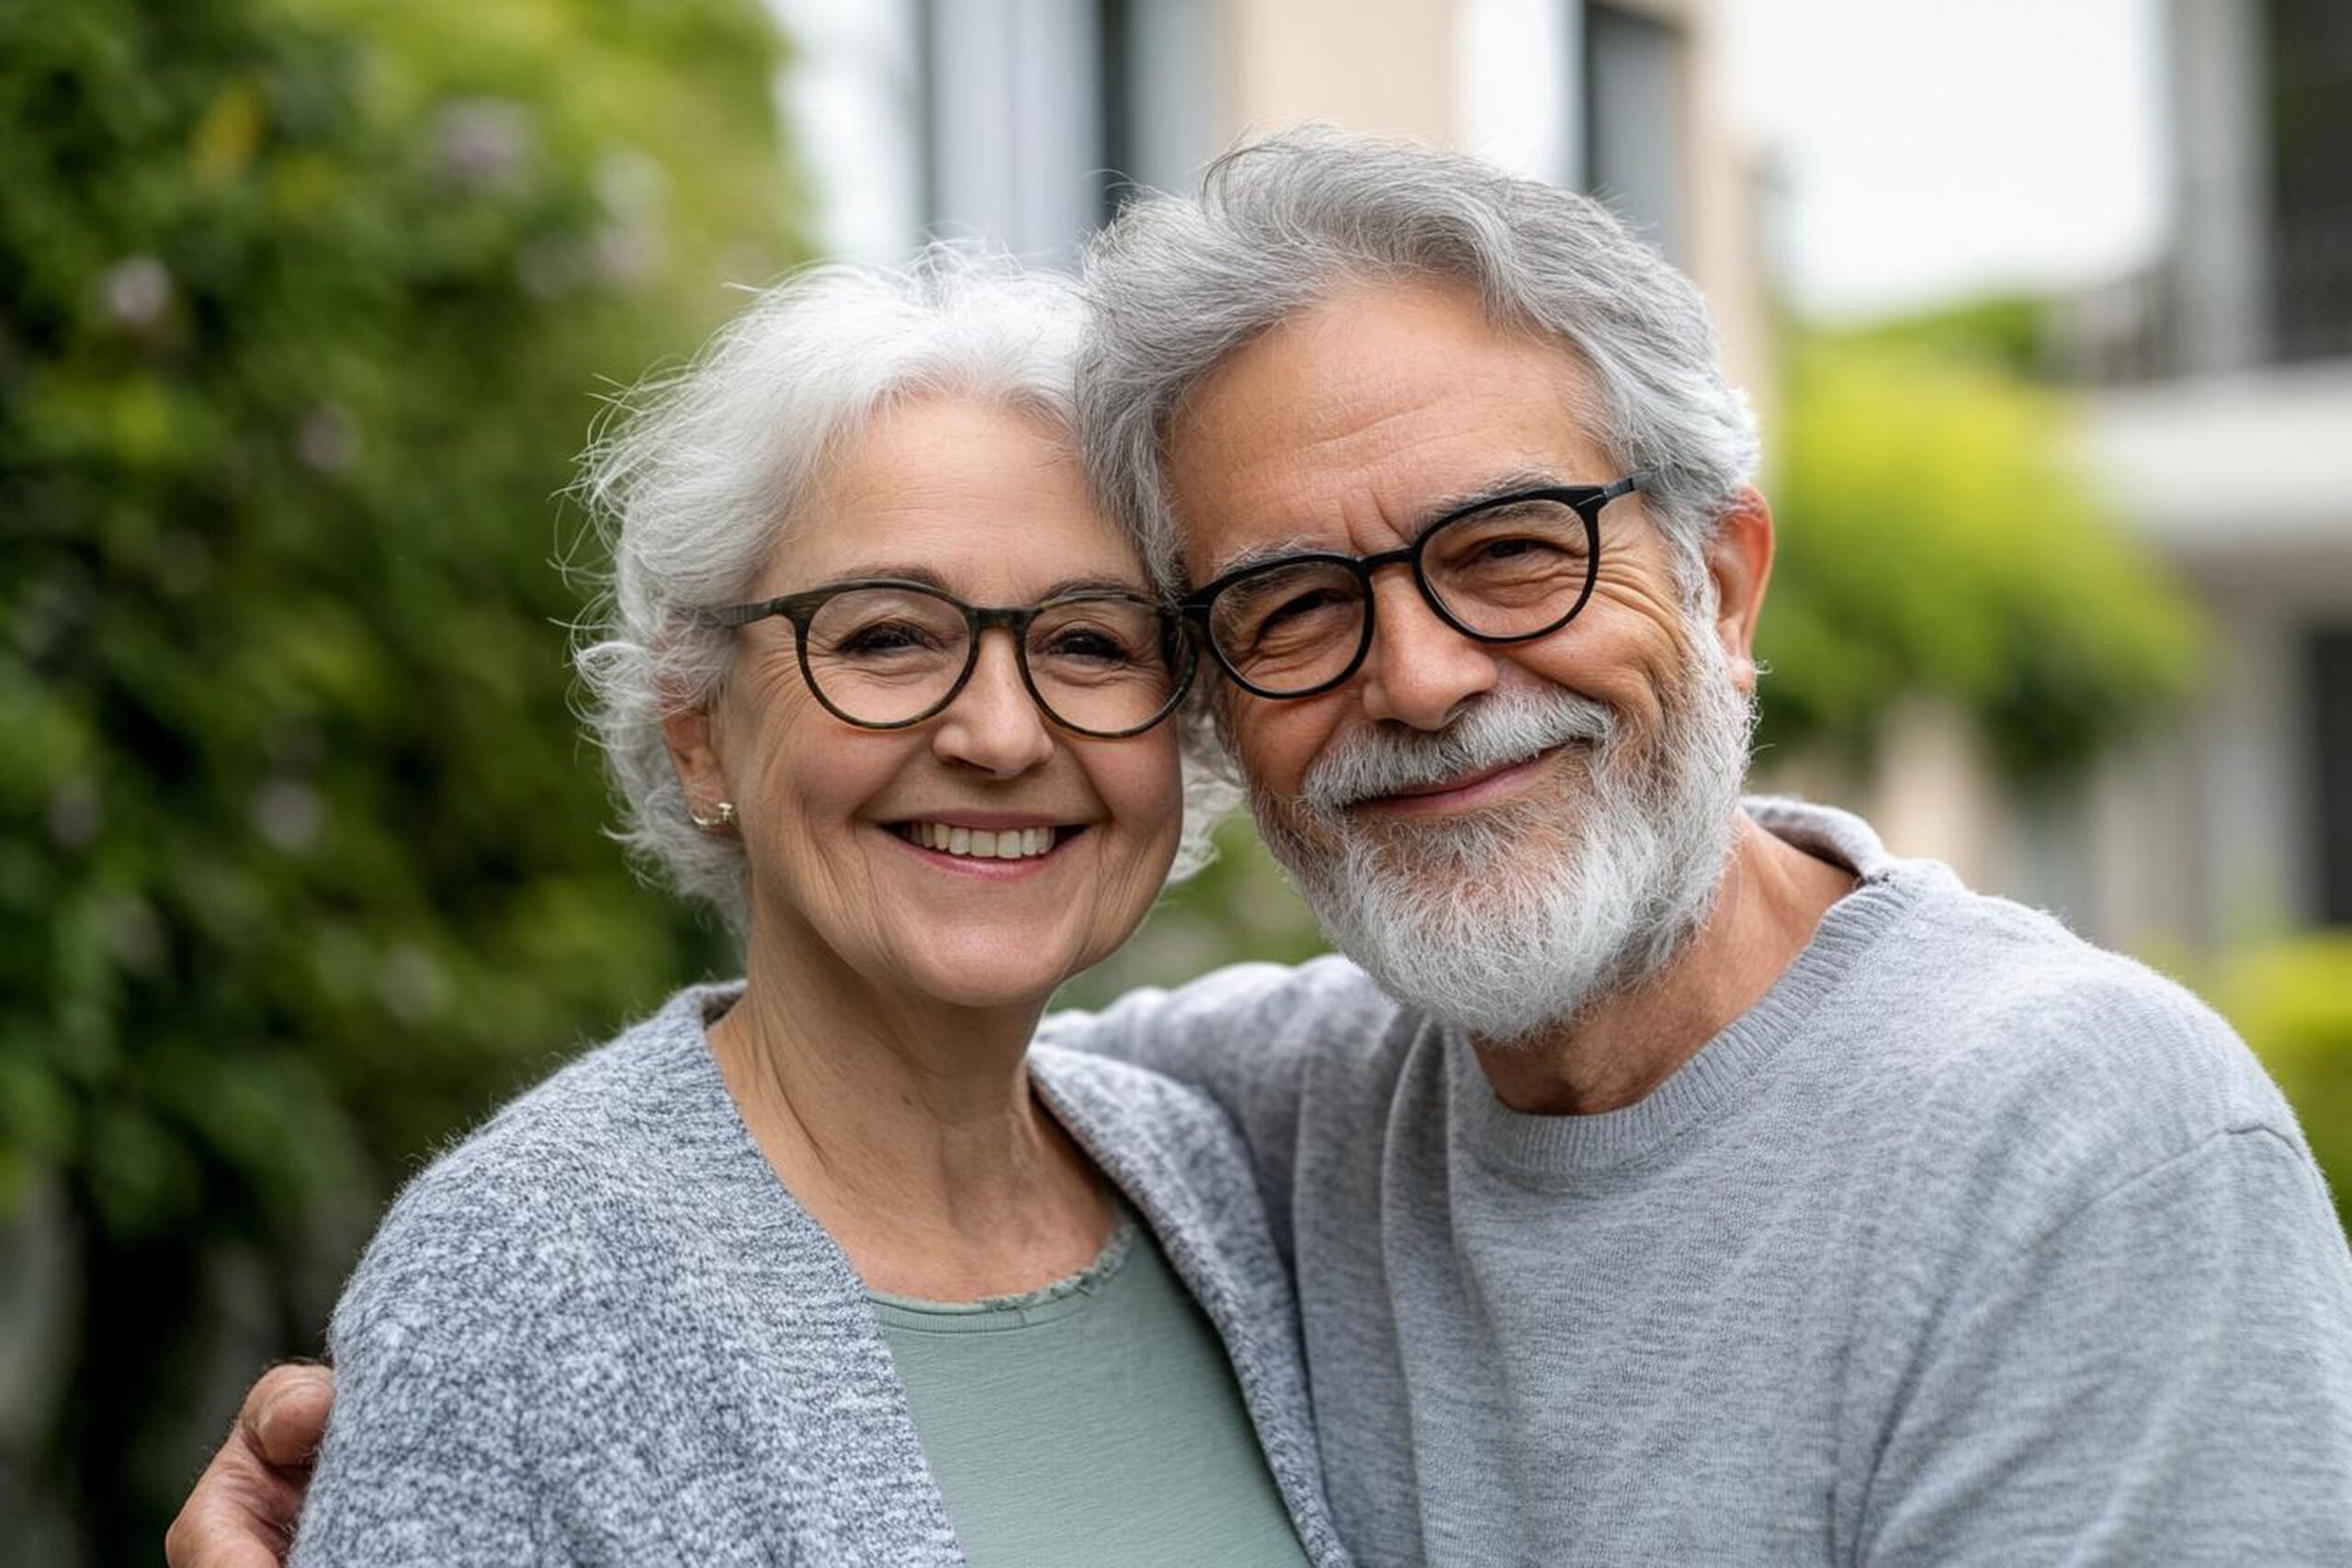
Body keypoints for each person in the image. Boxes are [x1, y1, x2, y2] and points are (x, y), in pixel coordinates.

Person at [176, 128, 2352, 1566]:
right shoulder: (1260, 1120)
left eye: (1507, 550)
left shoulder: (2076, 1143)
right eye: (1293, 603)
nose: (1411, 679)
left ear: (1725, 577)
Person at [184, 252, 1347, 1568]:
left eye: (1091, 642)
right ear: (699, 732)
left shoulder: (1208, 1176)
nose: (1002, 732)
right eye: (888, 636)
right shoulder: (519, 1274)